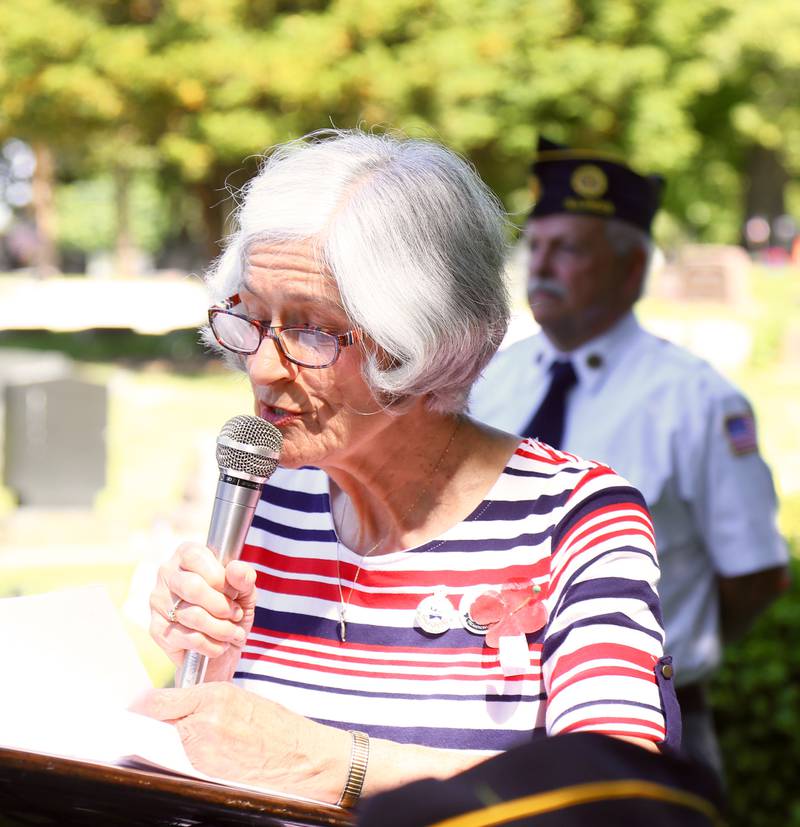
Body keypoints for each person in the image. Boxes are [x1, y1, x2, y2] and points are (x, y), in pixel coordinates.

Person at [139, 129, 678, 809]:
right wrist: (205, 678)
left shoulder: (575, 520)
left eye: (311, 330)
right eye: (251, 317)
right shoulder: (266, 503)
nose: (262, 367)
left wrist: (335, 763)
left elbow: (616, 800)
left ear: (425, 342)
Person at [470, 136, 790, 776]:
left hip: (647, 730)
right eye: (537, 246)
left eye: (570, 250)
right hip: (486, 719)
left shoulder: (696, 402)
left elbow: (754, 574)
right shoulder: (490, 379)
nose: (542, 266)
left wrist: (659, 650)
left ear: (630, 269)